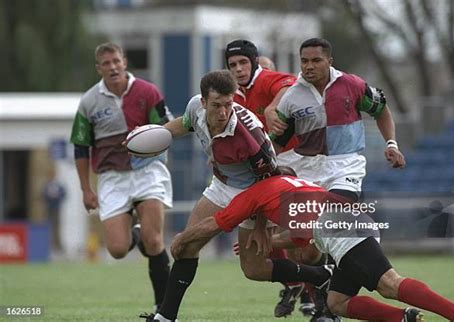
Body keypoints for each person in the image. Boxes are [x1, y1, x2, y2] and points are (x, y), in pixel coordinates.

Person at [147, 70, 333, 322]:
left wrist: (260, 226)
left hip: (255, 194)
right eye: (217, 105)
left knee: (254, 269)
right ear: (203, 102)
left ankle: (320, 275)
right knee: (186, 247)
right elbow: (181, 125)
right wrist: (152, 137)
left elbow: (270, 181)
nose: (224, 112)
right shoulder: (194, 108)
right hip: (222, 186)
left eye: (228, 105)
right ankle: (166, 317)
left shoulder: (250, 137)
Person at [170, 172, 454, 322]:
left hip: (339, 227)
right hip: (347, 221)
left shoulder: (255, 192)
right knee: (337, 303)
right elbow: (302, 237)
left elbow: (216, 223)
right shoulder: (294, 186)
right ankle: (403, 318)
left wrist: (184, 239)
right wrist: (274, 240)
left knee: (389, 284)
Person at [70, 42, 173, 312]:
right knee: (116, 249)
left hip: (147, 171)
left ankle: (163, 309)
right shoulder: (89, 102)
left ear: (124, 61)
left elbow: (165, 129)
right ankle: (136, 235)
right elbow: (81, 147)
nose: (113, 67)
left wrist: (151, 144)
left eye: (116, 61)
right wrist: (85, 189)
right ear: (99, 68)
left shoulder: (148, 91)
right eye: (106, 63)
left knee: (155, 241)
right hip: (111, 178)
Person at [226, 40, 321, 318]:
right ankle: (299, 286)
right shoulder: (236, 97)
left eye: (245, 64)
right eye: (234, 65)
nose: (241, 70)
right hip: (266, 168)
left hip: (296, 164)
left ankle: (312, 291)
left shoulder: (276, 86)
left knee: (305, 244)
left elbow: (289, 85)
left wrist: (272, 108)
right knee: (270, 234)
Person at [272, 37, 406, 203]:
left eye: (316, 60)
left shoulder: (352, 85)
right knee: (307, 225)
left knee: (337, 211)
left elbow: (381, 111)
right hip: (307, 168)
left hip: (345, 165)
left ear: (330, 61)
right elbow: (278, 141)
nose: (309, 66)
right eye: (304, 61)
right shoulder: (291, 97)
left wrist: (391, 144)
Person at [42, 169, 66, 253]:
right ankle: (49, 244)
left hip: (57, 208)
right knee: (48, 225)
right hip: (49, 208)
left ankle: (57, 245)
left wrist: (58, 198)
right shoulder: (47, 185)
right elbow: (43, 195)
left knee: (57, 226)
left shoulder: (58, 185)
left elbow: (64, 194)